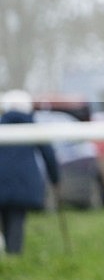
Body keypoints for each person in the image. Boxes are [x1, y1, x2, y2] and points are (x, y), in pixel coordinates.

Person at [0, 90, 60, 255]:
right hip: (24, 181)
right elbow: (49, 154)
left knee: (5, 215)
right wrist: (56, 179)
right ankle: (14, 253)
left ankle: (8, 252)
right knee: (17, 217)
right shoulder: (33, 127)